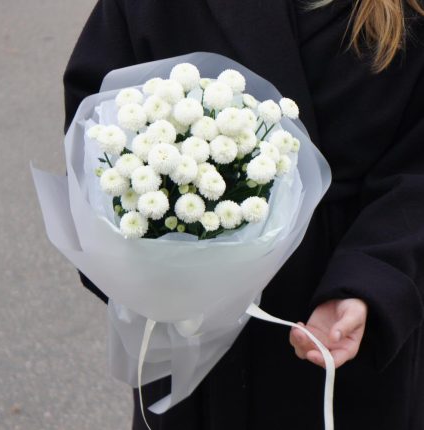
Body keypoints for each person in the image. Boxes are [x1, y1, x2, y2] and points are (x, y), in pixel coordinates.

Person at [63, 0, 424, 428]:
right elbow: (98, 130)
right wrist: (143, 263)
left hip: (346, 324)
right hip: (195, 327)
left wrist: (373, 278)